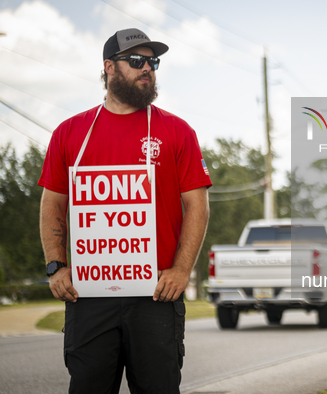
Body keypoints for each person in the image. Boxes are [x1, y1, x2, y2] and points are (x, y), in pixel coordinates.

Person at [38, 28, 211, 393]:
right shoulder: (70, 133)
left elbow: (197, 204)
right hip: (89, 295)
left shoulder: (178, 131)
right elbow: (54, 200)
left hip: (156, 296)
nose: (147, 68)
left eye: (153, 61)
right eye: (137, 61)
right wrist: (55, 265)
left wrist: (182, 271)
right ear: (109, 68)